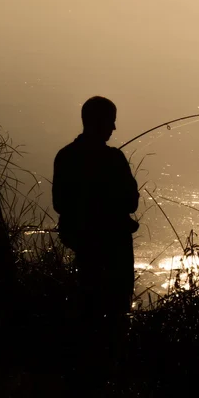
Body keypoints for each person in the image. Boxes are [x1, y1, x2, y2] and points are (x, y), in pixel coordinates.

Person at [52, 96, 139, 325]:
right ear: (100, 122)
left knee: (87, 304)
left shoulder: (65, 156)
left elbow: (59, 203)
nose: (114, 127)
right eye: (111, 121)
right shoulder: (114, 159)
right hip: (114, 248)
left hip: (83, 245)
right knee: (116, 310)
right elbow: (132, 203)